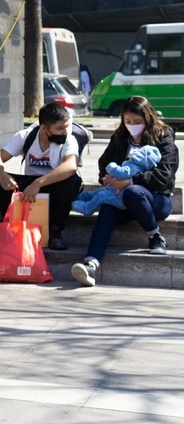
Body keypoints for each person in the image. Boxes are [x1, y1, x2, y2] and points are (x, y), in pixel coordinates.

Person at [72, 96, 179, 287]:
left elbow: (164, 175)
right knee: (106, 210)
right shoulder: (120, 137)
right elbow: (104, 163)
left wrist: (129, 181)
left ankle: (155, 237)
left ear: (148, 118)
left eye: (138, 122)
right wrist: (107, 178)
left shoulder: (163, 136)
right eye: (128, 121)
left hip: (155, 200)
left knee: (133, 192)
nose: (132, 126)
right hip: (120, 199)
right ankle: (91, 264)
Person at [0, 102, 82, 252]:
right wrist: (2, 174)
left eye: (67, 126)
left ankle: (55, 231)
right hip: (28, 188)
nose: (65, 132)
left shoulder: (69, 140)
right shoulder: (25, 136)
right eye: (59, 128)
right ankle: (14, 222)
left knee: (73, 180)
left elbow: (71, 166)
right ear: (44, 128)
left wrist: (39, 183)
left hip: (52, 185)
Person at [72, 145, 161, 216]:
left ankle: (87, 208)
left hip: (118, 197)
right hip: (112, 189)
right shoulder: (135, 166)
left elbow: (119, 172)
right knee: (94, 193)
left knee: (100, 196)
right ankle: (80, 198)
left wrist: (111, 166)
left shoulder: (133, 168)